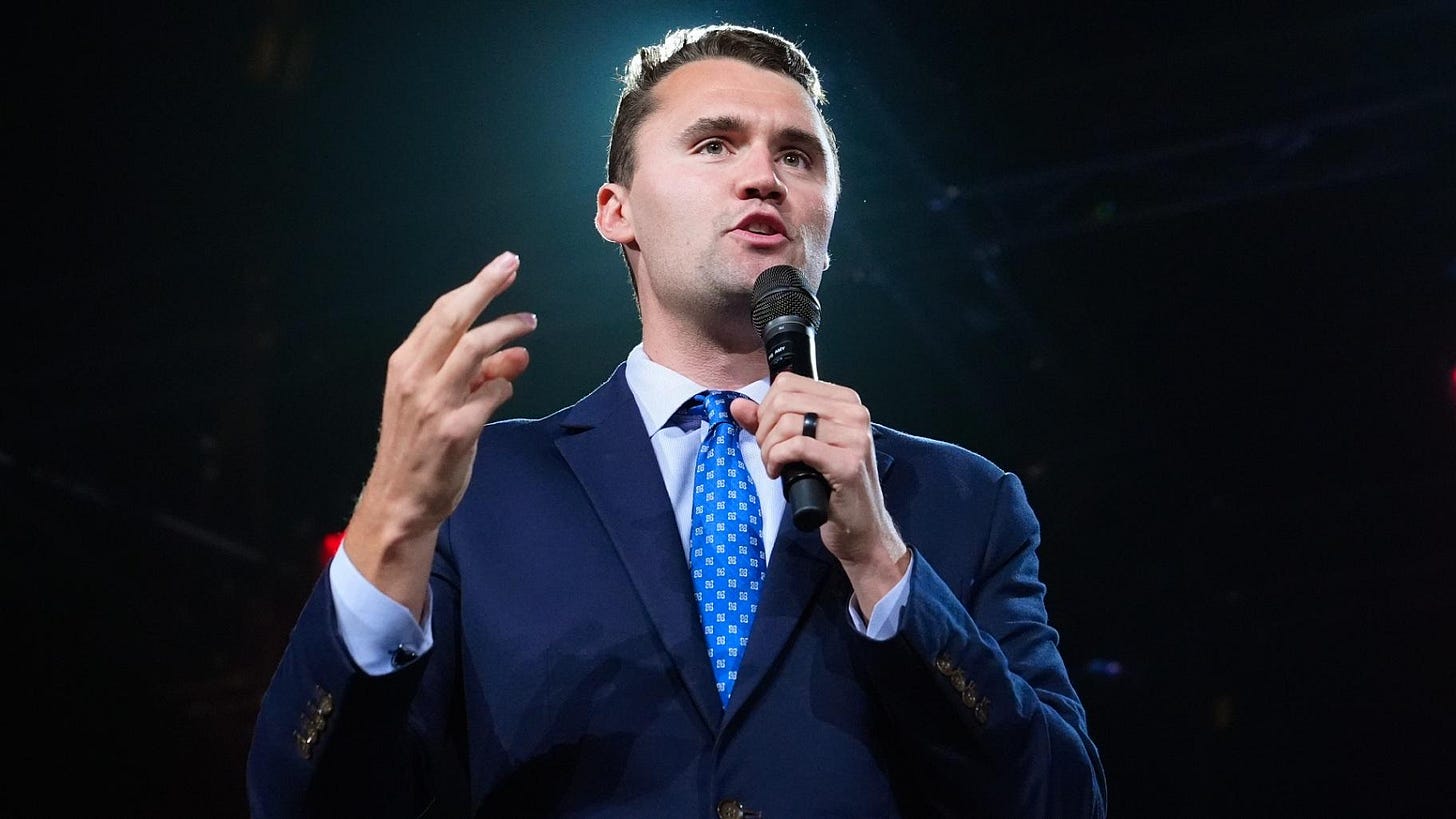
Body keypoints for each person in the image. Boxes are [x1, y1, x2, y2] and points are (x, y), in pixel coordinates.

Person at [248, 23, 1107, 818]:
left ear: (827, 222)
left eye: (799, 157)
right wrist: (391, 525)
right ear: (616, 210)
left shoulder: (962, 499)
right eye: (713, 144)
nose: (765, 175)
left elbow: (1064, 800)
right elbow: (302, 800)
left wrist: (885, 568)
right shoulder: (481, 492)